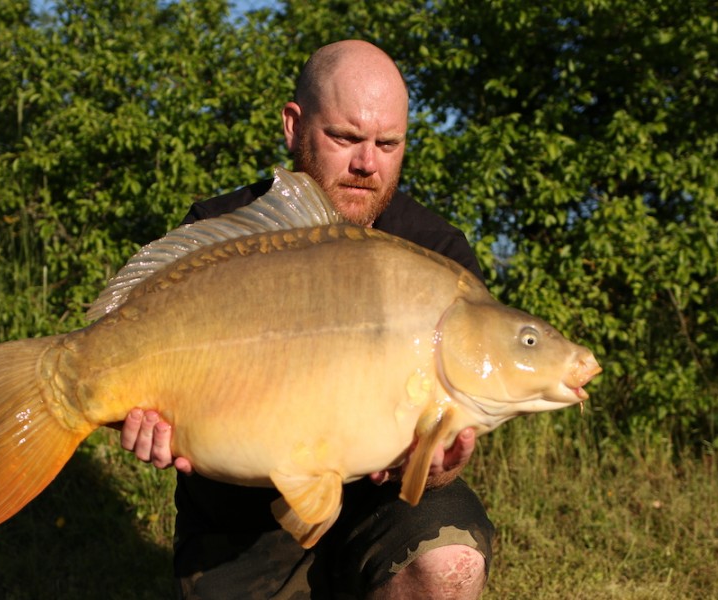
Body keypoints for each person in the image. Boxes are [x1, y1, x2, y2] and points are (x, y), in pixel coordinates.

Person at [120, 40, 495, 599]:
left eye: (388, 144)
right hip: (241, 521)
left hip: (382, 508)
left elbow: (441, 466)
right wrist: (147, 419)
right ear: (294, 126)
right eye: (344, 138)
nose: (367, 163)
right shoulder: (222, 229)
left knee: (448, 566)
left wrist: (439, 463)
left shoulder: (437, 254)